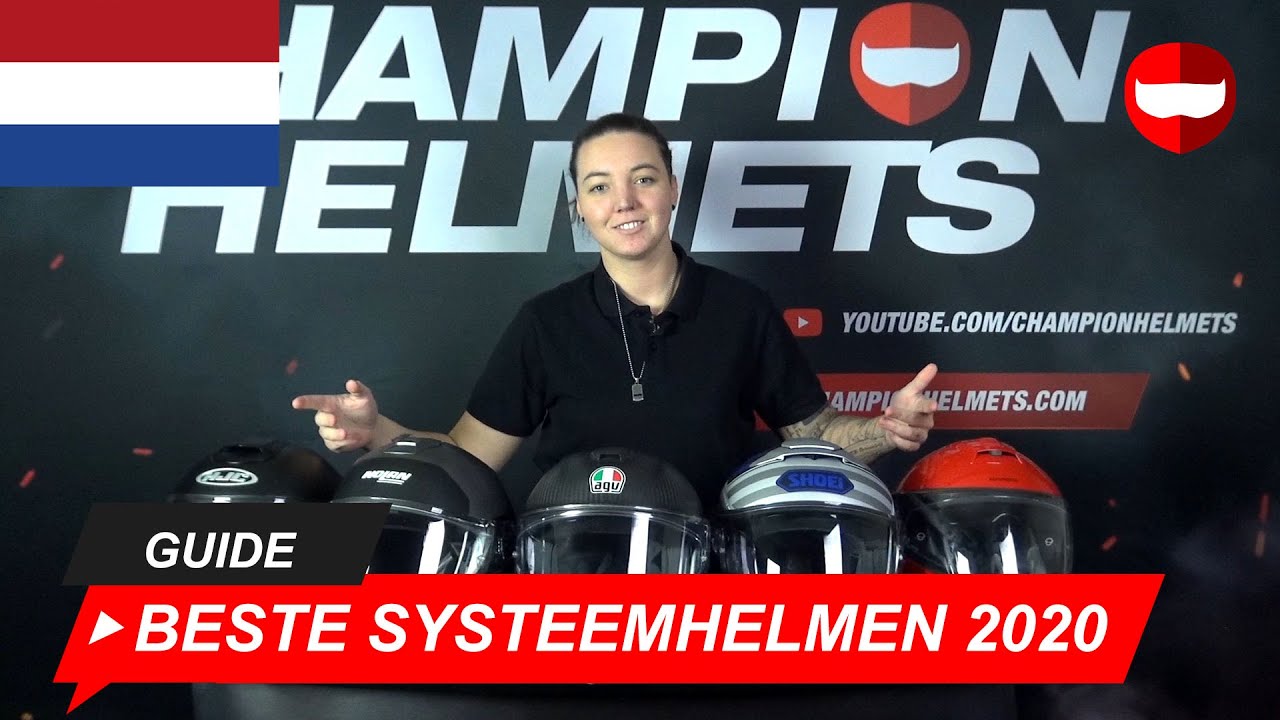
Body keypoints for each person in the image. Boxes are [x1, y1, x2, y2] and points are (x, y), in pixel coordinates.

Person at [292, 113, 938, 505]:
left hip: (708, 579)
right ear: (581, 208)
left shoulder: (742, 310)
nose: (624, 201)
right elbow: (467, 456)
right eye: (599, 186)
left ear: (672, 189)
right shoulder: (545, 323)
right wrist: (379, 433)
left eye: (643, 179)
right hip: (572, 575)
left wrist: (887, 431)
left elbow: (816, 440)